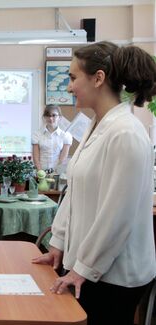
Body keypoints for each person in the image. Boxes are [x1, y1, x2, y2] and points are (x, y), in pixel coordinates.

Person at [32, 41, 156, 325]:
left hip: (115, 276)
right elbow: (74, 193)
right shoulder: (96, 125)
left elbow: (117, 216)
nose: (68, 87)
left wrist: (83, 269)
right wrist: (58, 245)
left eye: (73, 77)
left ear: (98, 78)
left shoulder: (126, 133)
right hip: (89, 268)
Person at [32, 105, 72, 172]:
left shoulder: (65, 135)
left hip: (57, 172)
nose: (50, 118)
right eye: (48, 115)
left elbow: (62, 159)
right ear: (44, 117)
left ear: (59, 117)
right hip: (40, 172)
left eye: (54, 115)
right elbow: (36, 158)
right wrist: (40, 172)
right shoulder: (37, 135)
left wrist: (55, 172)